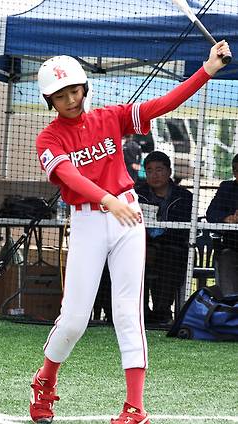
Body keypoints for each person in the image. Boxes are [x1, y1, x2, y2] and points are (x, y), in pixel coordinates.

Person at [31, 40, 231, 424]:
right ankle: (45, 379)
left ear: (84, 87)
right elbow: (68, 175)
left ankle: (135, 408)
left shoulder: (110, 116)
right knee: (74, 319)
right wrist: (108, 200)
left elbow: (164, 104)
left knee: (127, 312)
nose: (71, 99)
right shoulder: (49, 138)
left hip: (127, 215)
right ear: (50, 101)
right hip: (90, 219)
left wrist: (207, 69)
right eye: (60, 95)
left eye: (74, 89)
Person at [136, 151, 192, 324]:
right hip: (141, 245)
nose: (155, 175)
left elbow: (184, 229)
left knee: (169, 259)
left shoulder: (184, 197)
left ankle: (162, 312)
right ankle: (140, 312)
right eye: (150, 170)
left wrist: (159, 244)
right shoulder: (137, 194)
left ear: (169, 171)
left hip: (172, 247)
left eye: (159, 169)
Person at [206, 153, 238, 295]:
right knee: (225, 259)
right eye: (235, 169)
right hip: (232, 247)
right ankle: (230, 308)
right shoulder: (226, 188)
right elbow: (211, 213)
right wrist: (228, 218)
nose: (237, 172)